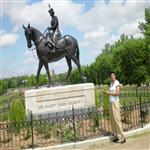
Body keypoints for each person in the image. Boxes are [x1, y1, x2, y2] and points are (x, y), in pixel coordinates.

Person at [103, 71, 126, 143]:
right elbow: (111, 93)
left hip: (115, 103)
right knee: (112, 120)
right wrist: (107, 92)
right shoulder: (111, 84)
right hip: (111, 103)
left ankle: (122, 136)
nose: (112, 76)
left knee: (117, 119)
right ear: (110, 77)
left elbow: (117, 93)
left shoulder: (117, 82)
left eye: (113, 75)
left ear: (115, 76)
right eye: (111, 76)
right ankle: (116, 136)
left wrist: (108, 93)